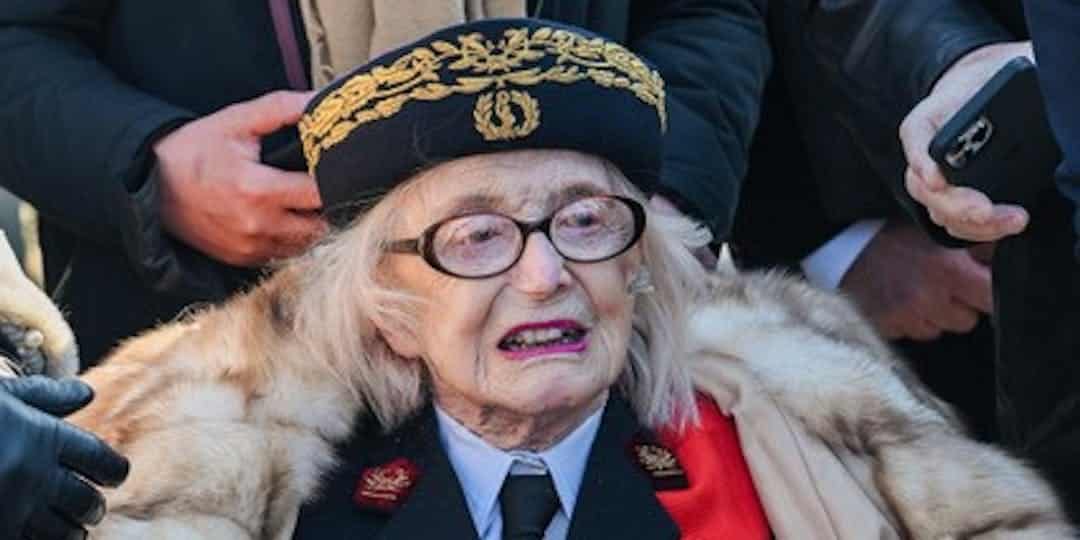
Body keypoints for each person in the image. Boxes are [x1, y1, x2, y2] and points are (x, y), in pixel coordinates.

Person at [67, 20, 1069, 539]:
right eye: (474, 238)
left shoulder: (786, 468)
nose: (546, 275)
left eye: (586, 223)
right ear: (387, 304)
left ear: (639, 263)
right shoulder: (278, 498)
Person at [0, 0, 768, 367]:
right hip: (219, 363)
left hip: (582, 354)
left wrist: (662, 201)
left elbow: (707, 13)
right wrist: (150, 169)